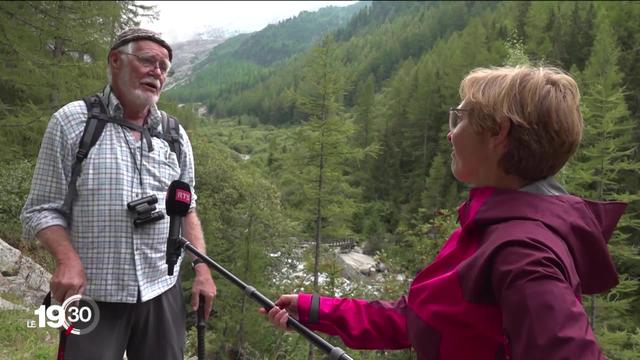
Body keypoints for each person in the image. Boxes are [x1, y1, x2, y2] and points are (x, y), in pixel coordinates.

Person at [262, 66, 627, 359]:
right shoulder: (491, 228)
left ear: (498, 133)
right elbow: (417, 318)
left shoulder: (523, 251)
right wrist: (315, 310)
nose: (451, 134)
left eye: (460, 118)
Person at [21, 28, 216, 360]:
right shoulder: (72, 123)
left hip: (161, 289)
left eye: (164, 67)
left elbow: (187, 208)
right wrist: (67, 260)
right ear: (115, 61)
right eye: (147, 61)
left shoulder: (174, 135)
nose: (157, 71)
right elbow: (40, 209)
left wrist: (202, 269)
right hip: (92, 294)